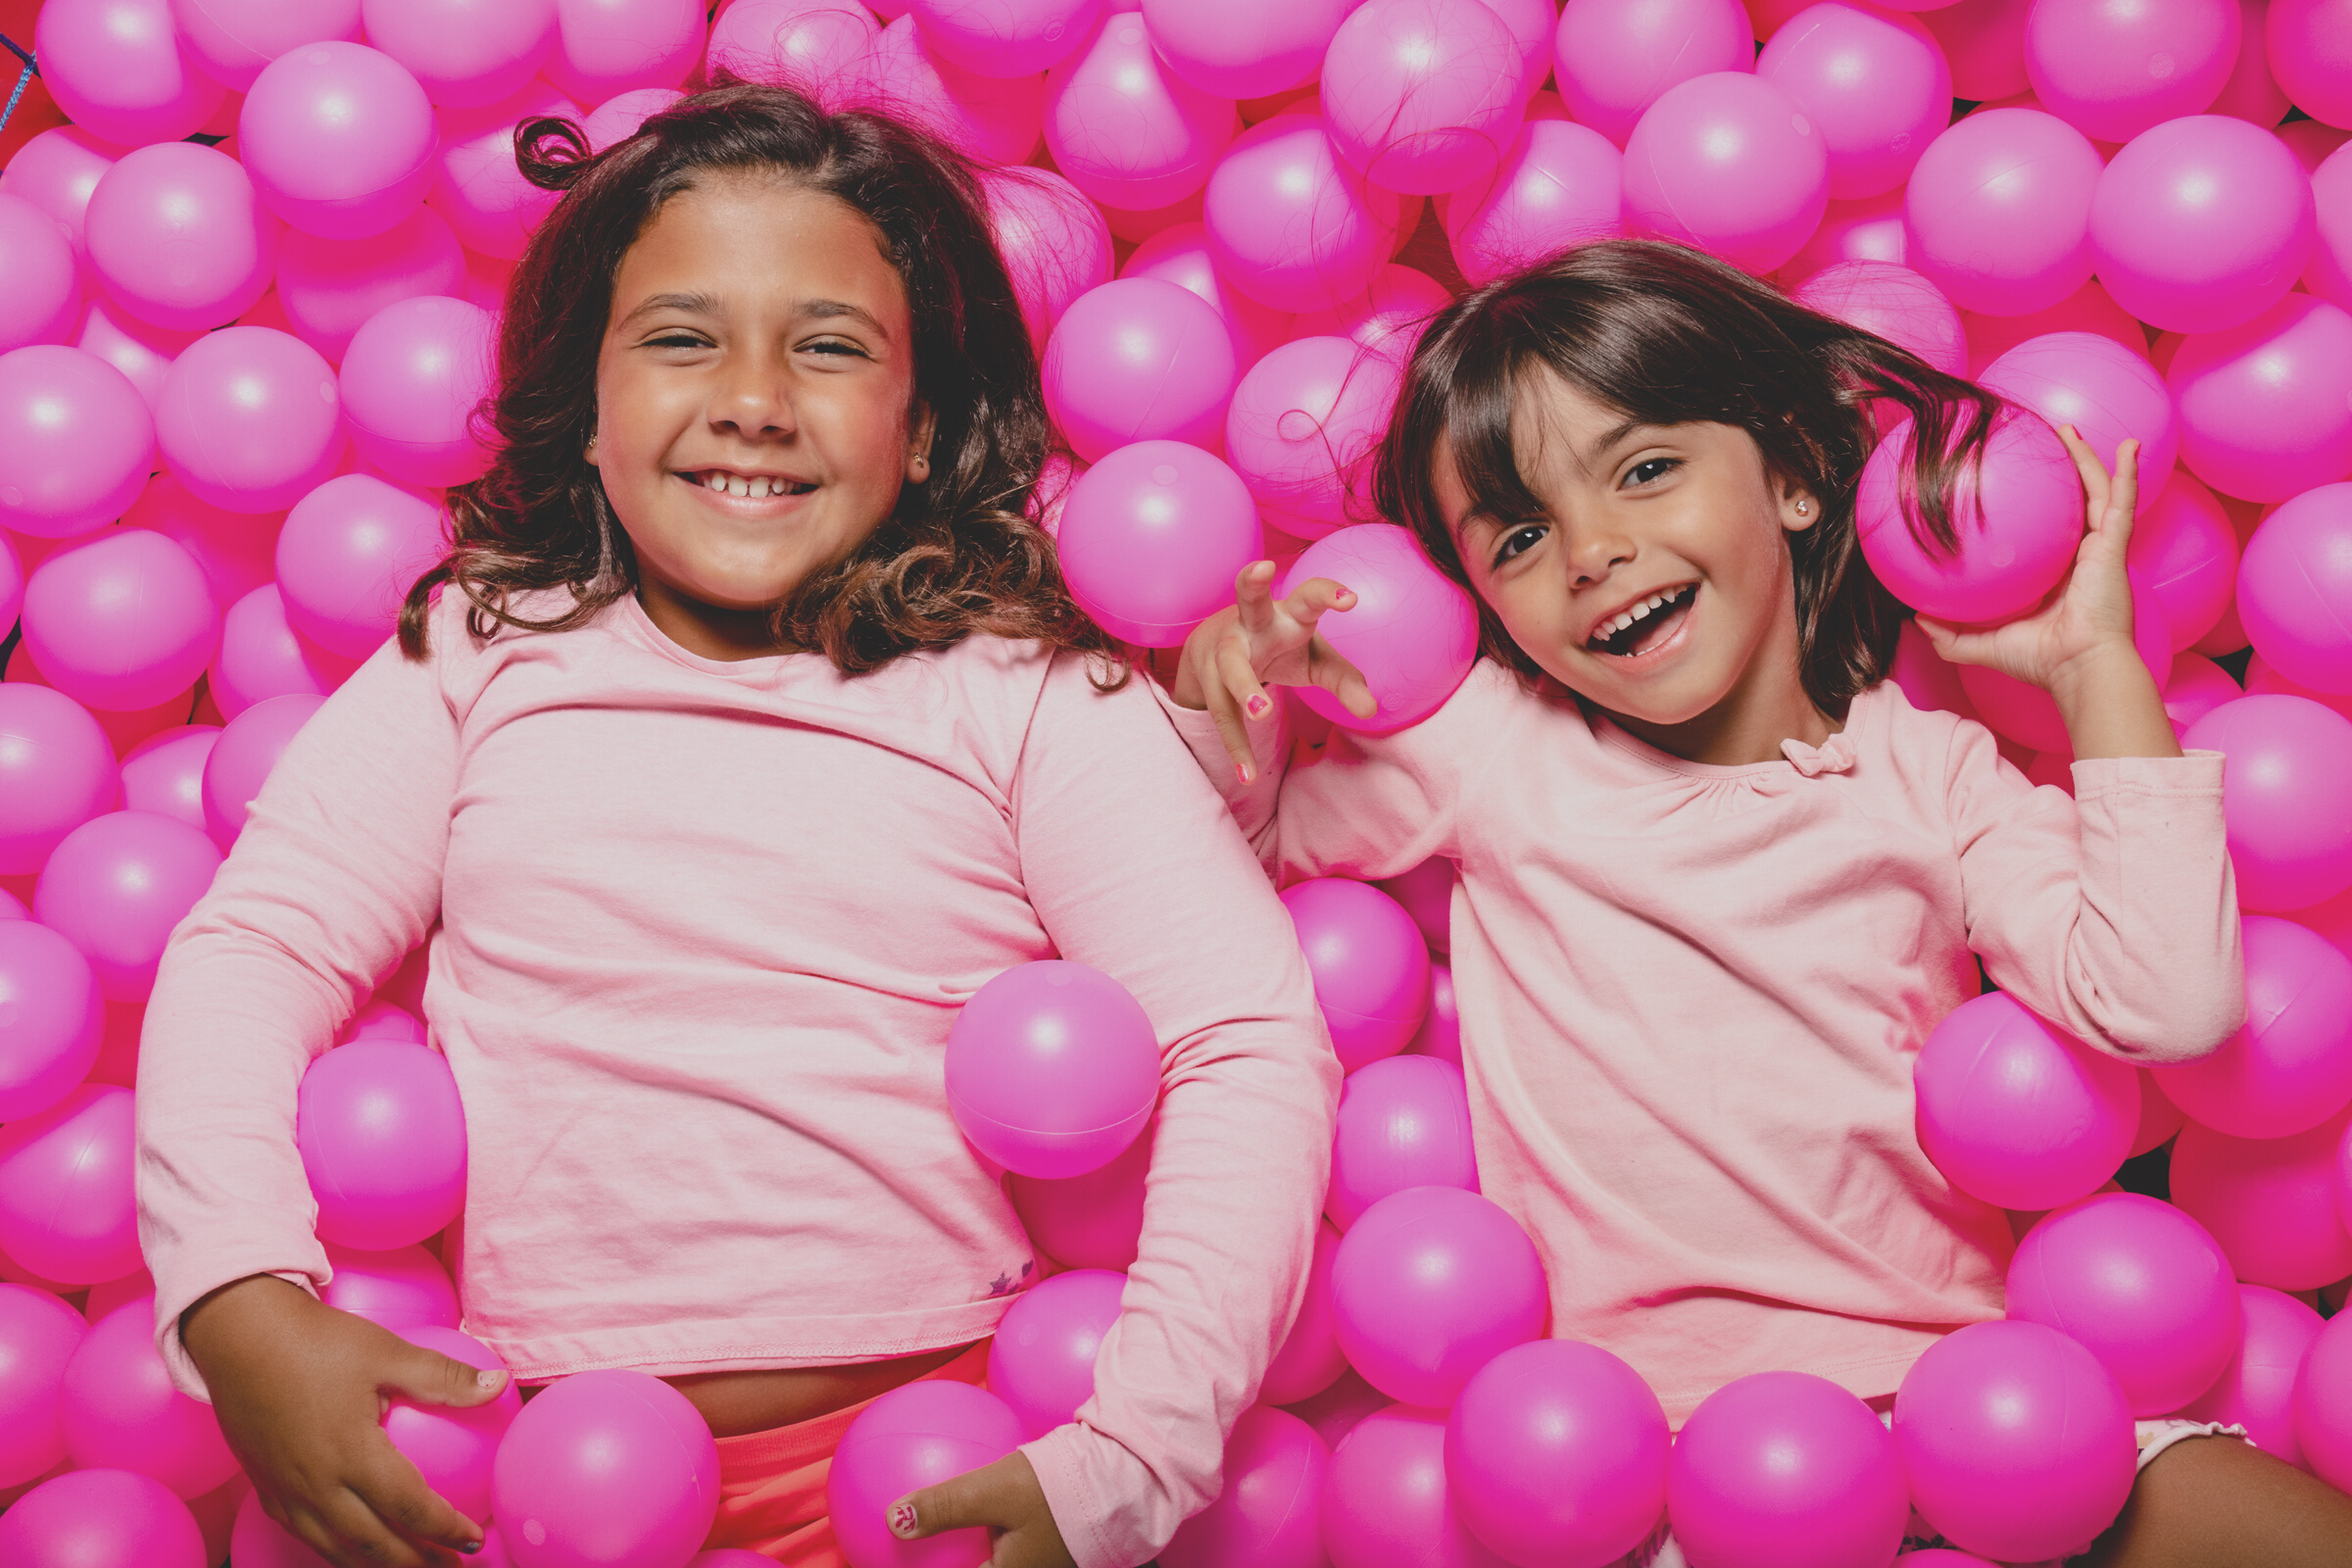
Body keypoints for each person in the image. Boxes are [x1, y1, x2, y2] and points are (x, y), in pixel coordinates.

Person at [137, 82, 1336, 1568]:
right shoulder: (481, 652)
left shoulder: (1026, 689)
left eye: (829, 347)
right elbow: (257, 944)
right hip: (527, 1488)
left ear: (923, 424)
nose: (754, 396)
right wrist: (238, 1295)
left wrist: (1135, 1449)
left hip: (932, 1469)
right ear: (584, 412)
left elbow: (1240, 1035)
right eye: (682, 338)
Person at [1165, 239, 2352, 1566]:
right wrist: (1238, 702)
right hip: (1638, 1473)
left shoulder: (1932, 773)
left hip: (1966, 1427)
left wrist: (2094, 669)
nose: (1597, 552)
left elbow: (2171, 1004)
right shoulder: (1490, 754)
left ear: (1790, 475)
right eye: (1520, 534)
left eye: (1646, 470)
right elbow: (1213, 860)